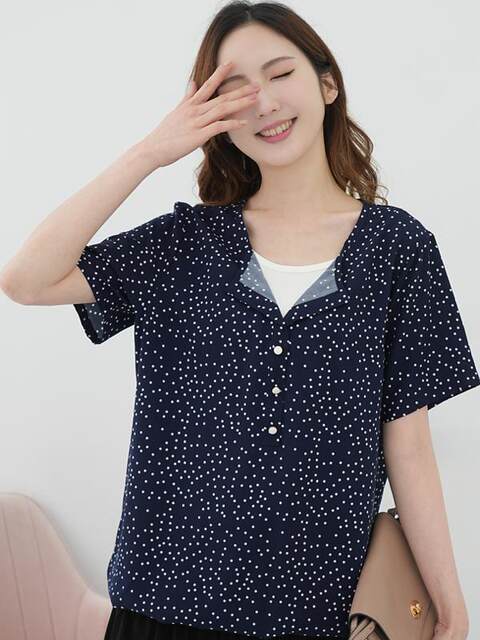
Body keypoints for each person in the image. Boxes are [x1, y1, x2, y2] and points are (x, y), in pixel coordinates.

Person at [1, 2, 478, 640]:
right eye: (236, 91)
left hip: (320, 611)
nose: (264, 103)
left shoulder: (398, 249)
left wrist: (449, 601)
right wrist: (151, 152)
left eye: (280, 74)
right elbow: (26, 280)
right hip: (164, 603)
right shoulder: (185, 244)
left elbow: (409, 445)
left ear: (327, 84)